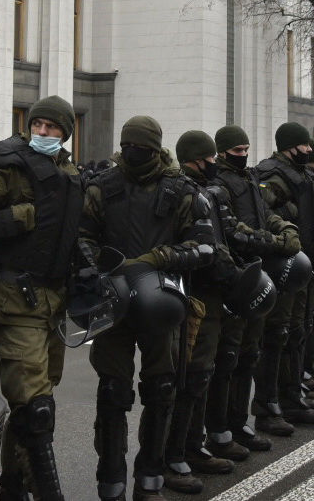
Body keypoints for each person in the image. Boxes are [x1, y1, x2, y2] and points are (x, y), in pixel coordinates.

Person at [0, 96, 83, 501]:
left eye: (52, 127)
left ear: (66, 132)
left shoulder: (68, 171)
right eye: (38, 125)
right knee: (35, 407)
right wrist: (24, 215)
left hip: (54, 300)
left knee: (34, 407)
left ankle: (13, 487)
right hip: (15, 297)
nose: (43, 133)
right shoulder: (5, 163)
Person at [81, 115, 214, 501]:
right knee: (112, 393)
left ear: (155, 148)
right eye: (126, 145)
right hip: (112, 302)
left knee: (162, 390)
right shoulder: (102, 187)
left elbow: (204, 248)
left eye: (138, 146)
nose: (131, 152)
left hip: (161, 303)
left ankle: (150, 480)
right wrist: (100, 268)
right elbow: (83, 237)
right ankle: (111, 484)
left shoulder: (182, 191)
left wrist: (157, 259)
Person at [204, 124, 299, 457]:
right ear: (223, 151)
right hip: (235, 279)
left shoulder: (248, 181)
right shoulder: (218, 186)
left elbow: (265, 213)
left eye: (246, 149)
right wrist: (273, 242)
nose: (243, 155)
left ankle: (239, 423)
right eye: (237, 151)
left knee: (249, 354)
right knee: (227, 357)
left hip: (255, 274)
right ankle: (217, 430)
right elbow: (230, 231)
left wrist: (284, 228)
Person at [162, 130, 237, 495]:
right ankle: (174, 455)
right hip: (193, 295)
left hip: (211, 293)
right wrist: (225, 270)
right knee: (188, 378)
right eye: (209, 158)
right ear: (195, 159)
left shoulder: (206, 191)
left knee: (202, 374)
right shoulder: (182, 192)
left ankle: (193, 445)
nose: (215, 163)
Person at [255, 123, 314, 429]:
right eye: (304, 146)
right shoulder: (273, 173)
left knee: (299, 330)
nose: (310, 151)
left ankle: (291, 394)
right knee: (278, 334)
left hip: (305, 264)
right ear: (290, 147)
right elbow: (261, 209)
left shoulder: (303, 173)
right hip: (284, 265)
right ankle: (268, 406)